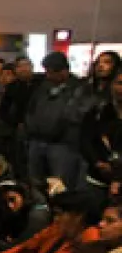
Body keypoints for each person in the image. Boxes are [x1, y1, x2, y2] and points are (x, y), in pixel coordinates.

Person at [25, 52, 87, 190]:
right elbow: (30, 110)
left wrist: (58, 131)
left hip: (62, 145)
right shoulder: (42, 87)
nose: (48, 75)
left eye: (52, 72)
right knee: (36, 182)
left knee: (60, 184)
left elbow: (74, 115)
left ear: (64, 71)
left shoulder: (79, 88)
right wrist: (31, 128)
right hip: (37, 140)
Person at [80, 69, 122, 209]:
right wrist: (97, 162)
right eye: (119, 83)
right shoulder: (98, 111)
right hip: (97, 176)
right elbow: (85, 139)